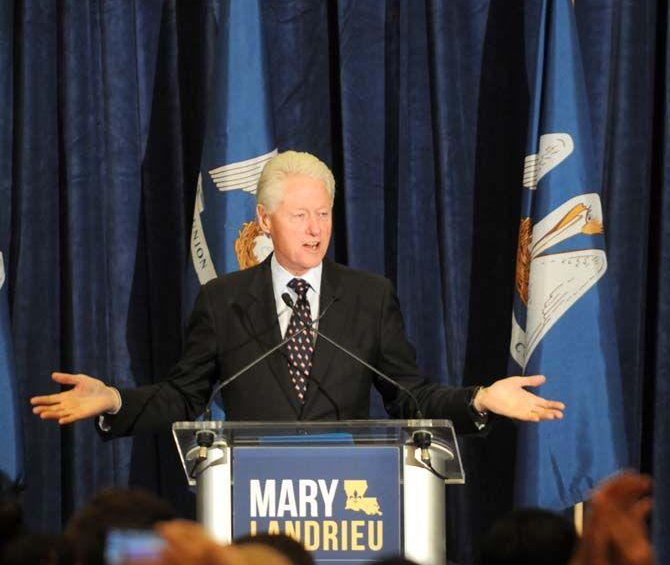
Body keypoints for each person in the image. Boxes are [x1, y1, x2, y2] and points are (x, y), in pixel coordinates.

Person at [31, 152, 564, 432]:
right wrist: (115, 400)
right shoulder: (224, 301)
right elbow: (182, 397)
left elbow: (411, 397)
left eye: (324, 214)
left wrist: (480, 400)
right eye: (300, 215)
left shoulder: (369, 297)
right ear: (264, 220)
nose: (315, 229)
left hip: (349, 499)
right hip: (255, 499)